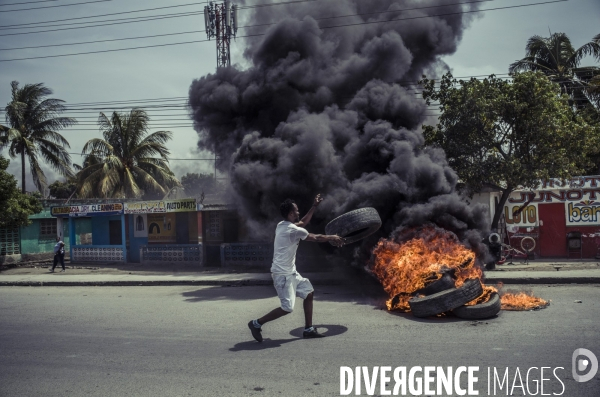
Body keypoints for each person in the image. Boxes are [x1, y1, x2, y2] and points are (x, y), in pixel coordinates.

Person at [248, 194, 344, 342]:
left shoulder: (282, 225)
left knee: (309, 293)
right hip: (282, 275)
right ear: (291, 213)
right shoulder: (292, 230)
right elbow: (316, 237)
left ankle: (308, 329)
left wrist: (314, 206)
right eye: (297, 210)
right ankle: (256, 323)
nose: (298, 212)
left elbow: (302, 222)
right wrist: (333, 237)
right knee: (287, 308)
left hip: (291, 272)